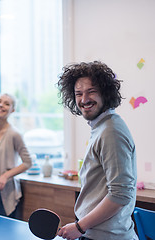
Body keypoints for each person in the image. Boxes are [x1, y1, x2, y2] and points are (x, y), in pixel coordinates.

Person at [56, 61, 138, 240]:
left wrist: (79, 226)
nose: (84, 100)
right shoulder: (101, 127)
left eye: (91, 91)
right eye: (79, 94)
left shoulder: (111, 131)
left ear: (105, 93)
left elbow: (120, 194)